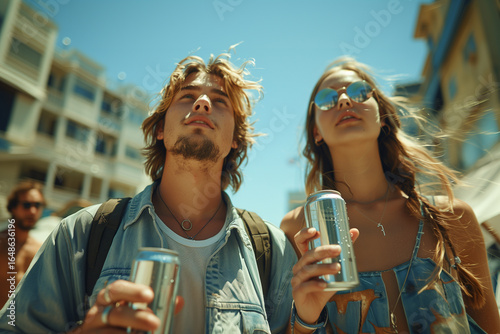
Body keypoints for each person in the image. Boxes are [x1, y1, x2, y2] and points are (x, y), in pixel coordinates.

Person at [0, 51, 305, 333]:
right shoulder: (82, 233)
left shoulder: (271, 250)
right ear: (160, 130)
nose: (202, 103)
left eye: (219, 101)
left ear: (235, 139)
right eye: (187, 97)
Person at [281, 57, 500, 333]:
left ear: (382, 116)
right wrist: (304, 320)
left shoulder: (453, 218)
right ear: (316, 131)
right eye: (327, 98)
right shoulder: (299, 230)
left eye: (360, 92)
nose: (345, 101)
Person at [0, 180, 45, 307]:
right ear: (13, 207)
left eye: (37, 205)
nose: (32, 211)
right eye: (26, 205)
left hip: (21, 325)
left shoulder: (39, 250)